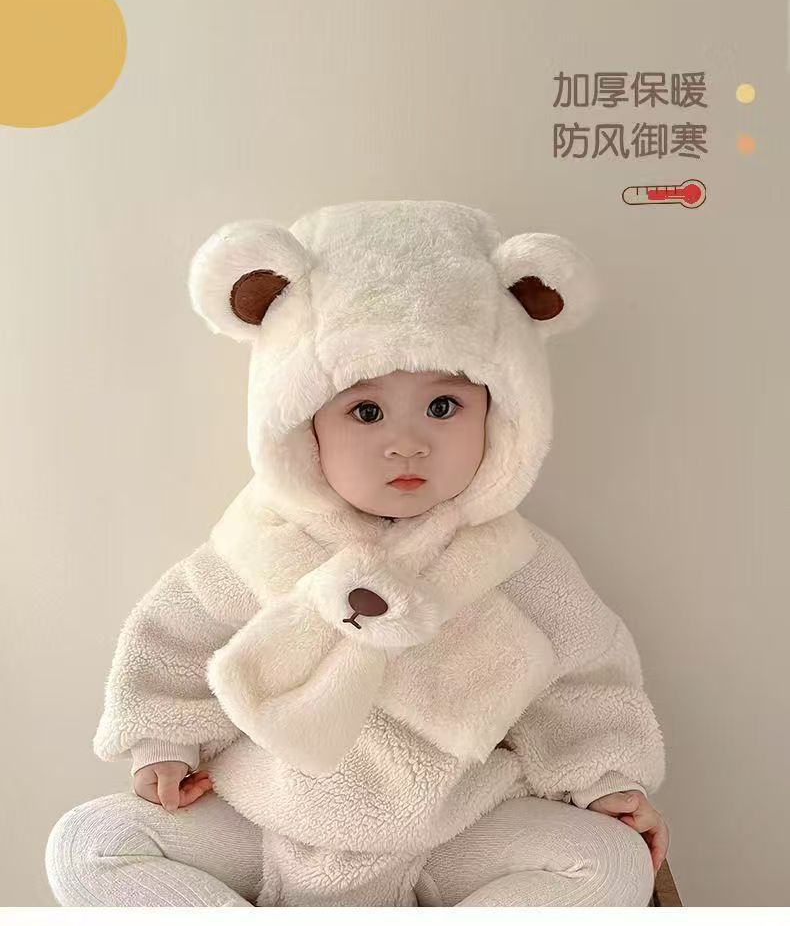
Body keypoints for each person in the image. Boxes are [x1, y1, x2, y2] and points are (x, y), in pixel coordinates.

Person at [45, 199, 668, 907]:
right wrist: (162, 743)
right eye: (365, 412)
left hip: (452, 829)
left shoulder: (517, 560)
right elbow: (171, 642)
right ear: (298, 425)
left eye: (443, 407)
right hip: (261, 819)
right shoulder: (260, 542)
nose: (407, 444)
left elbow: (585, 678)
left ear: (503, 417)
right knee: (88, 843)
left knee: (611, 863)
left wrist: (607, 779)